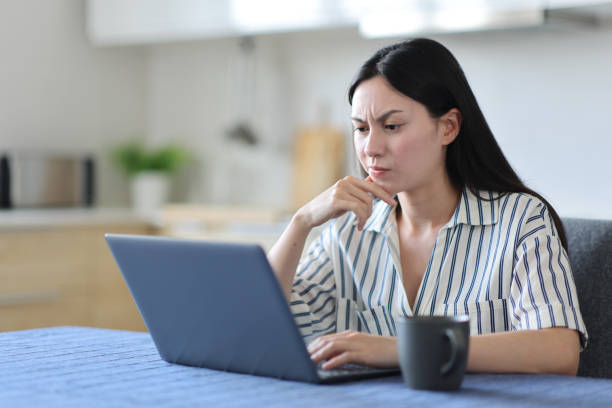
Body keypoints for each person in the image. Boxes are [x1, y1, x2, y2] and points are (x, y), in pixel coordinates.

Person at [268, 38, 587, 376]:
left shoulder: (520, 220)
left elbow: (559, 351)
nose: (371, 147)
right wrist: (301, 223)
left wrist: (402, 349)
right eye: (360, 129)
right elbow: (258, 324)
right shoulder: (348, 231)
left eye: (392, 127)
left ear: (448, 127)